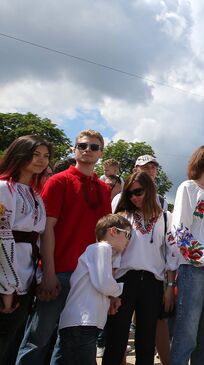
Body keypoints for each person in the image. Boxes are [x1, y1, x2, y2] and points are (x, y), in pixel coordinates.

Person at [17, 130, 112, 364]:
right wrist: (48, 273)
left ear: (101, 153)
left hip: (86, 277)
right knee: (37, 339)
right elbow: (46, 229)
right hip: (58, 271)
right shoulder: (58, 181)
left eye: (94, 147)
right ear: (74, 150)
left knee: (69, 341)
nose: (87, 150)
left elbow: (104, 240)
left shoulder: (103, 189)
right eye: (82, 146)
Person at [103, 172, 177, 365]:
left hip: (152, 284)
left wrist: (169, 287)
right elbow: (112, 256)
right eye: (129, 193)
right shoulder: (122, 217)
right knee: (116, 338)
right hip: (124, 282)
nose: (134, 197)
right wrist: (111, 292)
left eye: (138, 191)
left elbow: (171, 255)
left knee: (146, 340)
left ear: (150, 190)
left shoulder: (166, 218)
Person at [171, 145, 204, 365]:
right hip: (194, 269)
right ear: (203, 160)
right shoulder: (188, 188)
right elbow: (179, 230)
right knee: (187, 331)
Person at [0, 136, 51, 362]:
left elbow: (37, 241)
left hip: (25, 281)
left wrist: (38, 279)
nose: (41, 160)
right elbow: (2, 238)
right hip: (6, 282)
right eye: (35, 154)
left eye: (46, 155)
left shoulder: (36, 196)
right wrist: (7, 287)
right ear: (20, 153)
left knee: (11, 343)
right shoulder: (3, 189)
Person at [58, 214, 130, 364]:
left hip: (79, 324)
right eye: (127, 234)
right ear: (113, 231)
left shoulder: (97, 251)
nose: (129, 240)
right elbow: (104, 283)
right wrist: (118, 291)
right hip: (83, 323)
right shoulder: (102, 248)